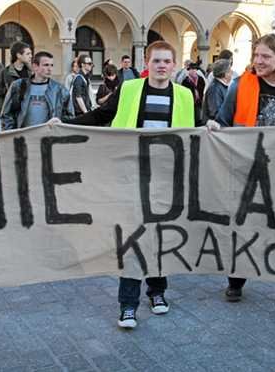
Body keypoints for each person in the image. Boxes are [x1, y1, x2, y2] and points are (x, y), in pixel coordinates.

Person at [67, 41, 195, 329]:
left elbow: (197, 129)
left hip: (165, 177)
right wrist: (66, 124)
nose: (161, 66)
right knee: (133, 239)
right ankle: (127, 305)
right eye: (156, 61)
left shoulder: (186, 96)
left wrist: (211, 127)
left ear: (174, 65)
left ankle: (157, 291)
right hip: (130, 174)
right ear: (147, 64)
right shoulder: (130, 89)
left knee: (159, 237)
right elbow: (101, 116)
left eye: (166, 61)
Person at [208, 34, 275, 333]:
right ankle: (236, 278)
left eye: (265, 56)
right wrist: (215, 127)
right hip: (245, 171)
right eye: (256, 55)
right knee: (243, 230)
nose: (258, 61)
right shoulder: (240, 85)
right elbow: (223, 120)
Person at [0, 51, 73, 130]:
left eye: (51, 65)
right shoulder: (19, 86)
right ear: (35, 66)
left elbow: (70, 117)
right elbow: (6, 114)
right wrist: (11, 136)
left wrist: (60, 123)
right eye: (46, 65)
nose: (49, 69)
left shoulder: (60, 90)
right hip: (23, 137)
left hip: (49, 138)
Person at [0, 42, 31, 117]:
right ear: (18, 55)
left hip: (27, 115)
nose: (31, 56)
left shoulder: (31, 73)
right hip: (10, 115)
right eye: (28, 54)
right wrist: (2, 113)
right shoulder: (4, 73)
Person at [201, 59, 232, 124]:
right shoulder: (214, 89)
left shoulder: (221, 86)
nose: (231, 73)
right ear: (224, 73)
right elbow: (215, 113)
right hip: (215, 130)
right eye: (229, 71)